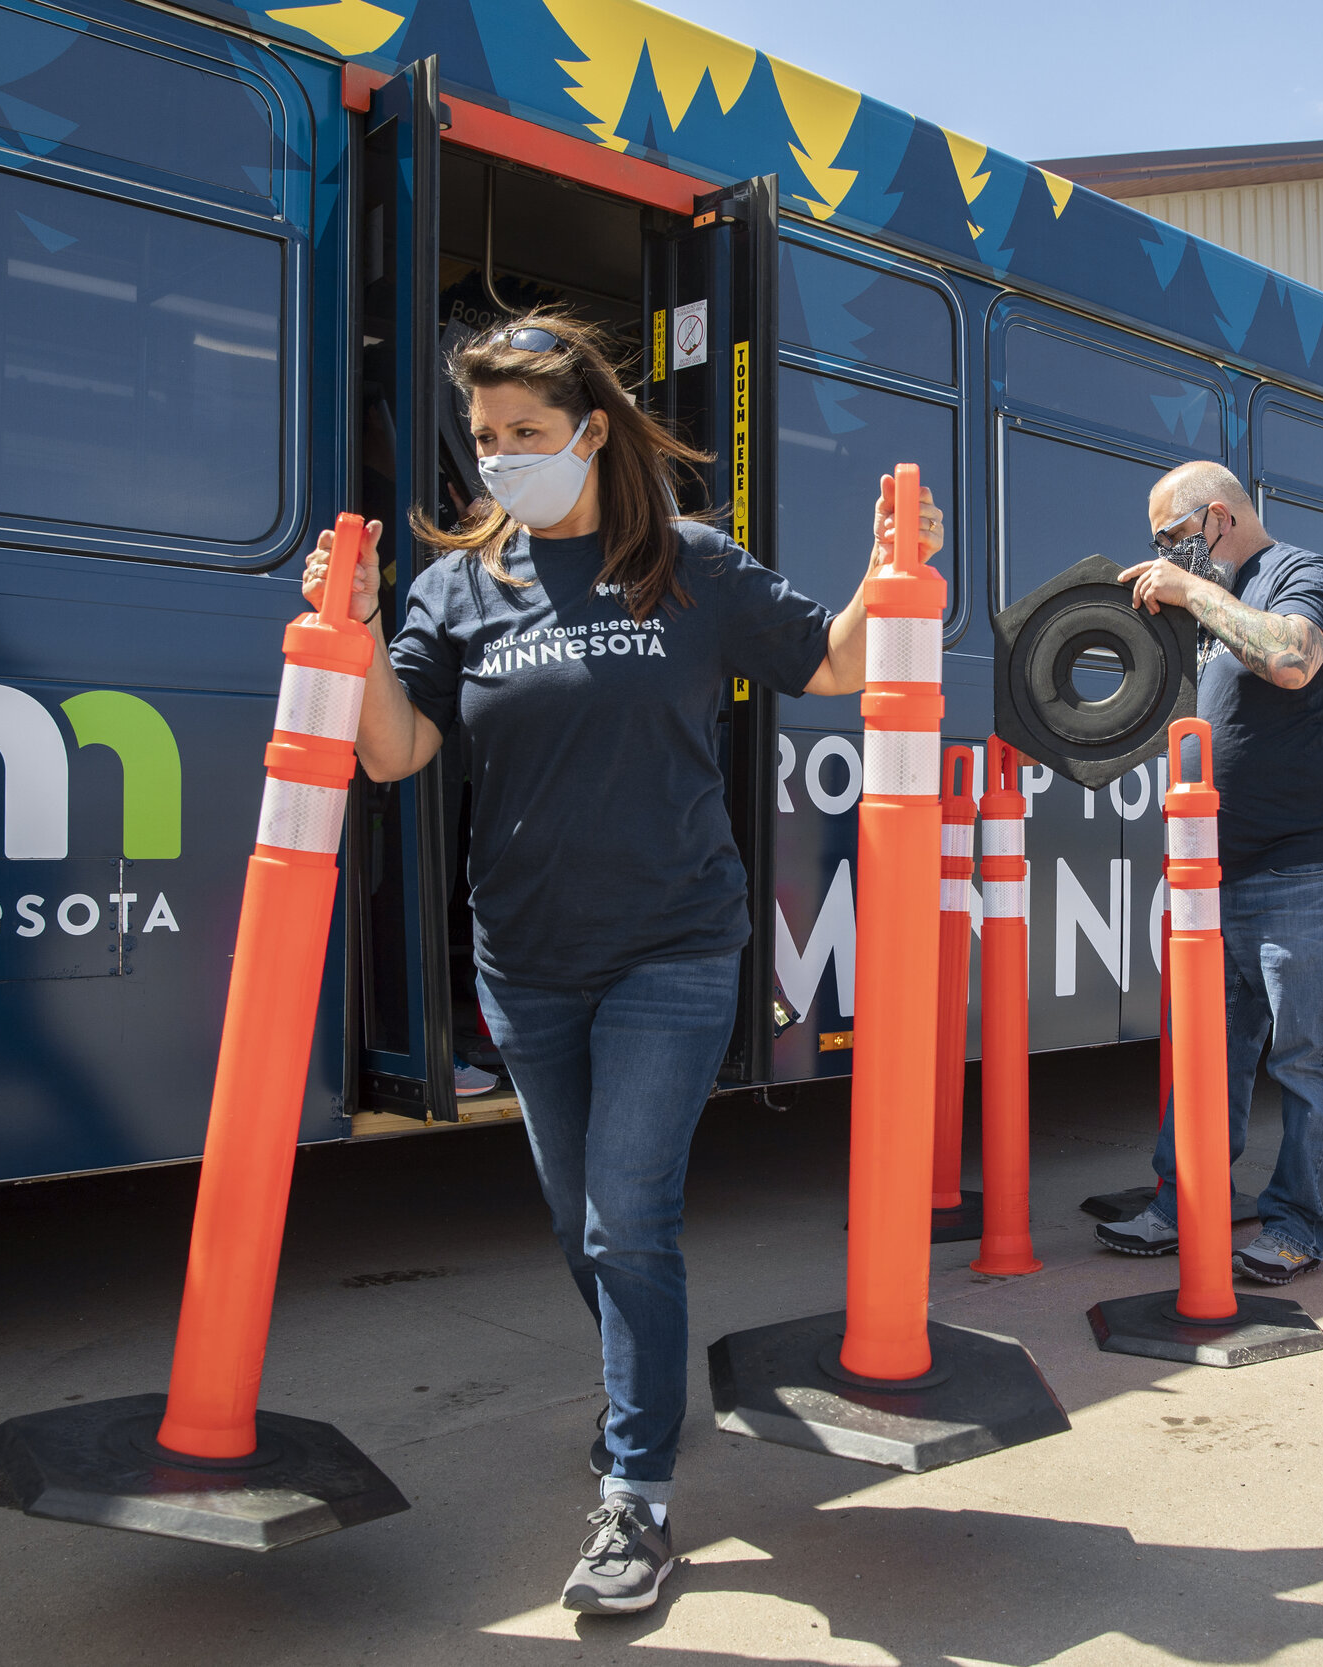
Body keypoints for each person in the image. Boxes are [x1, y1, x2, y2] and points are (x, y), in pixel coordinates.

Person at [302, 310, 941, 1615]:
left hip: (673, 948)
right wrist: (359, 630)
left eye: (526, 434)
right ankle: (641, 1394)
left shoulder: (687, 567)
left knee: (625, 1215)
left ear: (592, 431)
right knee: (578, 1222)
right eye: (483, 438)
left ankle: (637, 1498)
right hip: (525, 965)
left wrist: (889, 575)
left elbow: (829, 659)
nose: (500, 459)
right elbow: (394, 750)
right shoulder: (459, 588)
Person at [1098, 461, 1323, 1285]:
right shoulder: (1207, 604)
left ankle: (1296, 1224)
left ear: (1215, 519)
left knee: (1309, 1056)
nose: (1164, 557)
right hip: (1219, 868)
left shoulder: (1304, 576)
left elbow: (1291, 658)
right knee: (1207, 1052)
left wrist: (1193, 596)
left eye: (1169, 540)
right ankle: (1180, 1204)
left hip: (1311, 864)